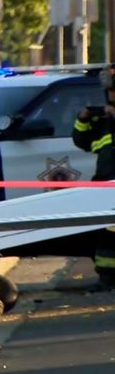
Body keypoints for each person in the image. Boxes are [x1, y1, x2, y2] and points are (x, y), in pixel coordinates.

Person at [72, 64, 115, 288]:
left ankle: (108, 276)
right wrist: (84, 118)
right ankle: (106, 276)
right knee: (106, 232)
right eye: (110, 92)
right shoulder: (103, 120)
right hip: (106, 183)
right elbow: (82, 141)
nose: (111, 96)